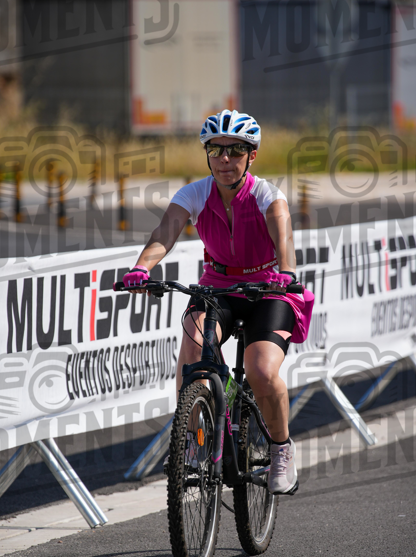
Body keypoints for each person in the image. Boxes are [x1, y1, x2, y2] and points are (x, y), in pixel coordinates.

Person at [121, 110, 314, 495]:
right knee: (192, 353)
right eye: (216, 150)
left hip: (268, 290)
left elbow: (284, 240)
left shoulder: (266, 195)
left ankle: (280, 448)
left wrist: (287, 272)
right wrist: (141, 268)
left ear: (251, 155)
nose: (225, 159)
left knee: (260, 370)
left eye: (236, 150)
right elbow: (165, 232)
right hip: (219, 288)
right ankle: (192, 440)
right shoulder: (193, 193)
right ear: (207, 153)